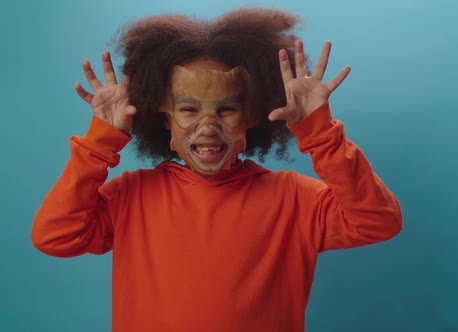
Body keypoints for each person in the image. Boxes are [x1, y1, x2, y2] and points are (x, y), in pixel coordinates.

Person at [31, 7, 402, 332]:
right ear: (165, 119)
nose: (207, 126)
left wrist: (319, 131)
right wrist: (100, 142)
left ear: (252, 116)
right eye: (189, 110)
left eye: (225, 110)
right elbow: (55, 236)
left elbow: (377, 221)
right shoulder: (131, 196)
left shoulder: (295, 198)